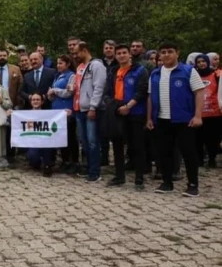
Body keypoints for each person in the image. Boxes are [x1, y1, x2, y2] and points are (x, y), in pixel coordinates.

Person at [147, 41, 205, 196]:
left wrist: (198, 115)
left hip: (184, 119)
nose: (166, 55)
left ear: (177, 53)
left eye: (170, 51)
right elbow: (150, 97)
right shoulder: (155, 73)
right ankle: (167, 182)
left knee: (188, 152)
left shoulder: (188, 71)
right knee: (164, 152)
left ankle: (193, 185)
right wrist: (149, 118)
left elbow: (199, 93)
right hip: (161, 119)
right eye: (163, 52)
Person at [104, 44, 148, 189]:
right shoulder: (113, 71)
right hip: (117, 113)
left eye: (124, 52)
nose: (121, 55)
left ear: (129, 54)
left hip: (135, 112)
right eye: (119, 53)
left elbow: (142, 91)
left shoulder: (140, 70)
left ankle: (139, 178)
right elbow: (107, 92)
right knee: (117, 145)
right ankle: (119, 176)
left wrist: (128, 106)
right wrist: (114, 105)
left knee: (137, 146)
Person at [74, 41, 107, 183]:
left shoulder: (97, 66)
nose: (74, 56)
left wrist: (93, 107)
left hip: (91, 109)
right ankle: (88, 168)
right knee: (85, 141)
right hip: (80, 109)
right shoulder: (81, 67)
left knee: (93, 141)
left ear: (84, 50)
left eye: (77, 52)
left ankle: (95, 171)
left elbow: (98, 87)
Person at [47, 54, 79, 175]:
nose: (58, 65)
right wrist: (50, 95)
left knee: (71, 137)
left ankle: (74, 162)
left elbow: (69, 93)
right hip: (56, 111)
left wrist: (55, 91)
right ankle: (65, 161)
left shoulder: (71, 76)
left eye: (61, 63)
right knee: (61, 138)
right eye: (57, 63)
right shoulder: (57, 76)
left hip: (67, 111)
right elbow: (52, 94)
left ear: (68, 64)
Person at [194, 54, 221, 168]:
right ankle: (199, 159)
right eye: (199, 62)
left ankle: (212, 158)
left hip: (214, 112)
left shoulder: (216, 75)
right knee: (198, 138)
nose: (201, 64)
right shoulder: (194, 75)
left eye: (203, 61)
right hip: (198, 112)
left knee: (213, 138)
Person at [0, 49, 23, 162]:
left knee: (10, 130)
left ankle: (10, 155)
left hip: (10, 103)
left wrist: (17, 102)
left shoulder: (15, 69)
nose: (2, 57)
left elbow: (20, 85)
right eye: (0, 55)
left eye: (4, 55)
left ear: (7, 56)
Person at [26, 93, 55, 176]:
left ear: (42, 102)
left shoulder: (48, 114)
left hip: (45, 143)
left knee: (48, 147)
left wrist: (65, 114)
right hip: (32, 143)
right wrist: (10, 115)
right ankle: (36, 163)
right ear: (31, 102)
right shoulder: (25, 114)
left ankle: (47, 165)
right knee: (33, 158)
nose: (35, 101)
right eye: (33, 100)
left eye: (38, 99)